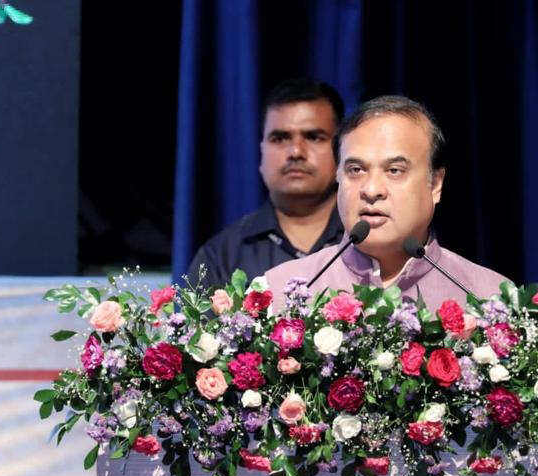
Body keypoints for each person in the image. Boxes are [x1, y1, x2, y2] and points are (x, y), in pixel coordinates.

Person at [264, 95, 508, 311]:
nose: (371, 190)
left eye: (394, 171)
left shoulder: (492, 300)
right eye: (356, 170)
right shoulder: (278, 296)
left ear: (435, 184)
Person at [186, 78, 346, 290]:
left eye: (313, 137)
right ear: (261, 150)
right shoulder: (220, 257)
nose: (296, 152)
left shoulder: (370, 242)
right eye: (280, 138)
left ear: (342, 149)